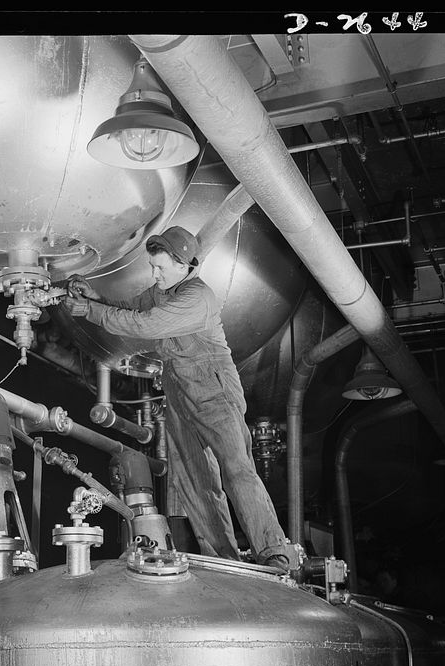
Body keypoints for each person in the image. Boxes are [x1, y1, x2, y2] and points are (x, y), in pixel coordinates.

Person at [61, 225, 295, 571]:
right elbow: (128, 308)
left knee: (236, 469)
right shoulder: (161, 291)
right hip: (179, 391)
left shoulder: (196, 297)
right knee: (194, 481)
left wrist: (88, 312)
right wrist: (92, 295)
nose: (154, 274)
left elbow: (145, 326)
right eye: (153, 267)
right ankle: (222, 560)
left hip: (214, 390)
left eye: (160, 267)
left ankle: (274, 551)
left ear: (183, 265)